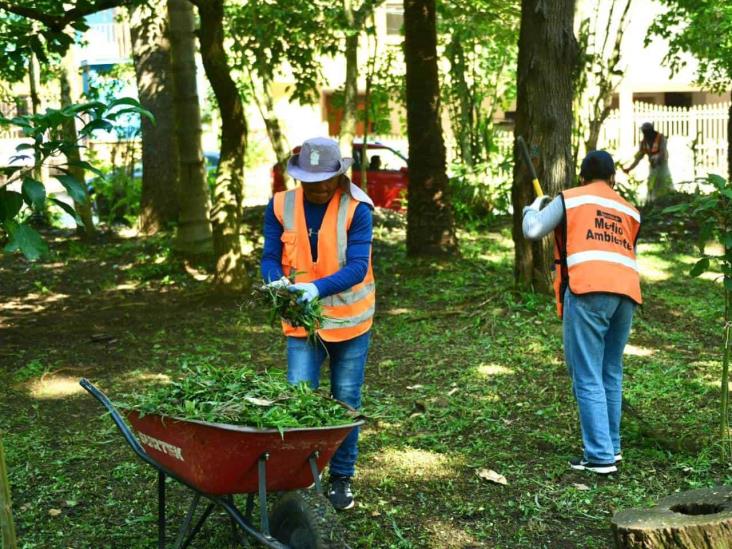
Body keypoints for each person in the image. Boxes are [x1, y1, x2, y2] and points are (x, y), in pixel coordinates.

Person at [260, 137, 375, 510]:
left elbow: (358, 267)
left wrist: (316, 288)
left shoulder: (357, 208)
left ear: (340, 175)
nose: (319, 188)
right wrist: (276, 279)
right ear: (298, 178)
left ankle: (341, 479)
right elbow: (270, 256)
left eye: (327, 180)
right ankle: (301, 479)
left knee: (345, 403)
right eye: (311, 182)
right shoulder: (280, 205)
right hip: (302, 326)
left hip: (350, 323)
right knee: (299, 402)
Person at [522, 150, 642, 475]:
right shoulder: (629, 209)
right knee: (610, 371)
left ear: (582, 177)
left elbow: (533, 230)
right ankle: (612, 448)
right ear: (613, 178)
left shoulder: (570, 198)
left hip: (589, 290)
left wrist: (533, 207)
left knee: (587, 373)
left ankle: (600, 456)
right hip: (626, 293)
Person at [623, 122, 673, 203]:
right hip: (653, 167)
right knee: (652, 184)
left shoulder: (661, 138)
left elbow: (663, 152)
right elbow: (638, 158)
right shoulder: (643, 143)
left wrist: (657, 158)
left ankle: (668, 200)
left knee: (665, 182)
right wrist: (629, 168)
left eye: (647, 131)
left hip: (662, 165)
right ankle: (651, 201)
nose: (646, 134)